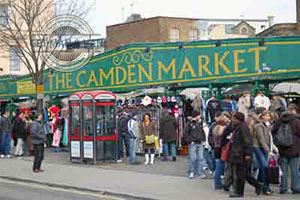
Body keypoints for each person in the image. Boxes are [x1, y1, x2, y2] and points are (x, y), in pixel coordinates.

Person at [272, 106, 300, 194]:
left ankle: (283, 188)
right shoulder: (296, 121)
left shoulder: (279, 121)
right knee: (294, 169)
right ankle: (295, 187)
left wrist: (277, 143)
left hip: (282, 149)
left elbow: (273, 132)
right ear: (293, 111)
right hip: (295, 149)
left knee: (283, 169)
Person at [228, 112, 254, 198]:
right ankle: (238, 190)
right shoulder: (237, 127)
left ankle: (239, 192)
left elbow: (247, 141)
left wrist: (248, 153)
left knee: (241, 175)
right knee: (241, 174)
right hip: (237, 154)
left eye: (234, 118)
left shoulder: (243, 128)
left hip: (241, 154)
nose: (232, 120)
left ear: (238, 119)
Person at [252, 110, 273, 195]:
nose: (268, 117)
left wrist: (273, 148)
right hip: (257, 147)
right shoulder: (259, 126)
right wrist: (268, 151)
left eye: (269, 116)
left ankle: (259, 185)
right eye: (266, 116)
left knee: (262, 167)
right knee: (265, 166)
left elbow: (269, 138)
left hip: (264, 147)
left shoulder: (268, 125)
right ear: (262, 116)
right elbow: (261, 139)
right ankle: (265, 188)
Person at [184, 110, 207, 179]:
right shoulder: (190, 123)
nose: (200, 116)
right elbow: (185, 133)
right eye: (199, 115)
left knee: (200, 158)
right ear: (196, 116)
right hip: (193, 143)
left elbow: (203, 132)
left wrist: (203, 139)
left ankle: (200, 173)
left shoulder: (200, 123)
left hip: (200, 142)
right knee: (193, 158)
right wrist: (190, 140)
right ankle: (191, 172)